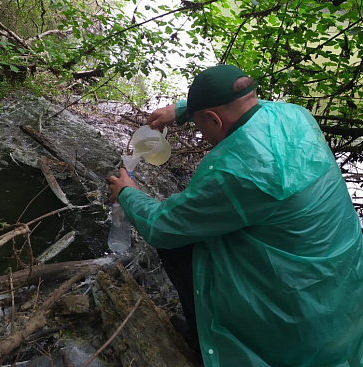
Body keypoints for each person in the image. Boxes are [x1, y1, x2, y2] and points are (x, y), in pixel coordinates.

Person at [108, 64, 363, 366]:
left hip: (295, 314)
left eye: (203, 126)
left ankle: (205, 342)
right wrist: (183, 110)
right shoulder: (294, 115)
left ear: (214, 118)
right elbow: (245, 108)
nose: (203, 136)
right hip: (341, 286)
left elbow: (163, 225)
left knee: (177, 243)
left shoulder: (235, 170)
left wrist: (127, 193)